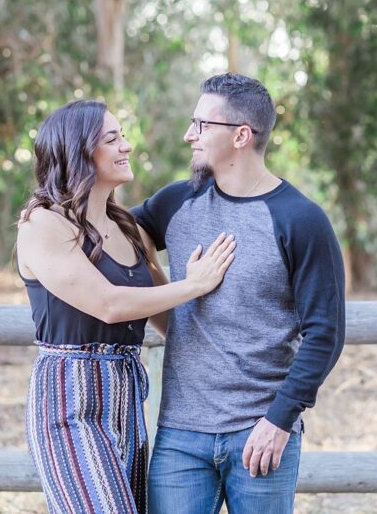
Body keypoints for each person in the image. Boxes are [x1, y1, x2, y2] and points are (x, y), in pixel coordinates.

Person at [132, 73, 346, 513]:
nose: (188, 135)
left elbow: (325, 333)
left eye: (201, 125)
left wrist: (279, 420)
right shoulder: (176, 202)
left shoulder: (300, 220)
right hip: (180, 438)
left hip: (261, 433)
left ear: (241, 136)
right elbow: (116, 234)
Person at [16, 99, 236, 514]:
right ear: (78, 152)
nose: (127, 146)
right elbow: (110, 305)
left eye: (123, 136)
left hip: (127, 395)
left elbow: (167, 318)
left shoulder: (128, 228)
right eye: (112, 139)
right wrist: (195, 284)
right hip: (68, 399)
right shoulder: (43, 224)